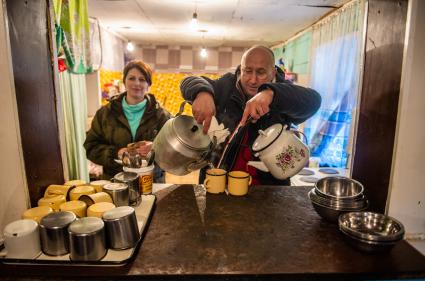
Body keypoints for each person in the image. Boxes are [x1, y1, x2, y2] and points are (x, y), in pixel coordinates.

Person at [180, 45, 321, 185]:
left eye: (261, 72)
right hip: (218, 182)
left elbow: (314, 100)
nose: (253, 80)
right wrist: (202, 93)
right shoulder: (226, 85)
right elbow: (188, 81)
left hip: (268, 191)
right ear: (241, 69)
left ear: (273, 72)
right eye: (247, 71)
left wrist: (271, 93)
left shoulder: (284, 92)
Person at [84, 60, 172, 180]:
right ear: (124, 81)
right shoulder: (105, 113)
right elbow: (90, 147)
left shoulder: (161, 115)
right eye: (131, 78)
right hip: (115, 181)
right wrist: (116, 153)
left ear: (148, 84)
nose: (136, 83)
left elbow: (172, 150)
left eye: (142, 79)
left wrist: (155, 147)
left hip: (150, 181)